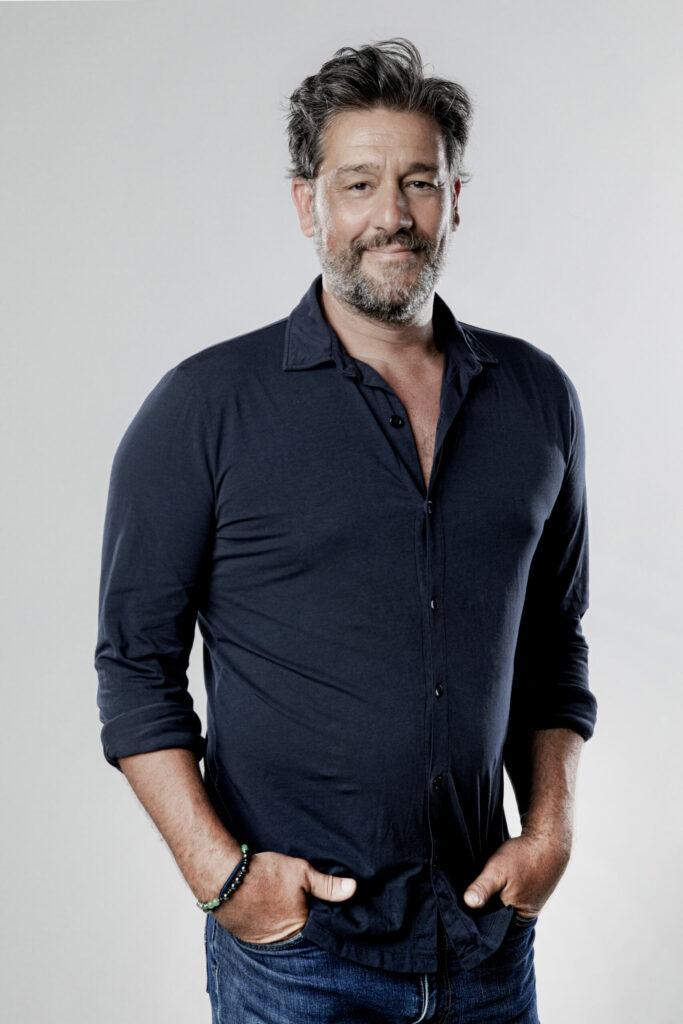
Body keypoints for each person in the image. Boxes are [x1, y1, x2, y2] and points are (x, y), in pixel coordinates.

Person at [94, 37, 598, 1024]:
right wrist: (223, 880)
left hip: (486, 944)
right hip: (299, 962)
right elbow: (133, 666)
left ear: (454, 199)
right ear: (307, 203)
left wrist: (550, 833)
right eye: (358, 183)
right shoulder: (204, 408)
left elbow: (553, 642)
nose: (391, 215)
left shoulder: (536, 398)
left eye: (419, 181)